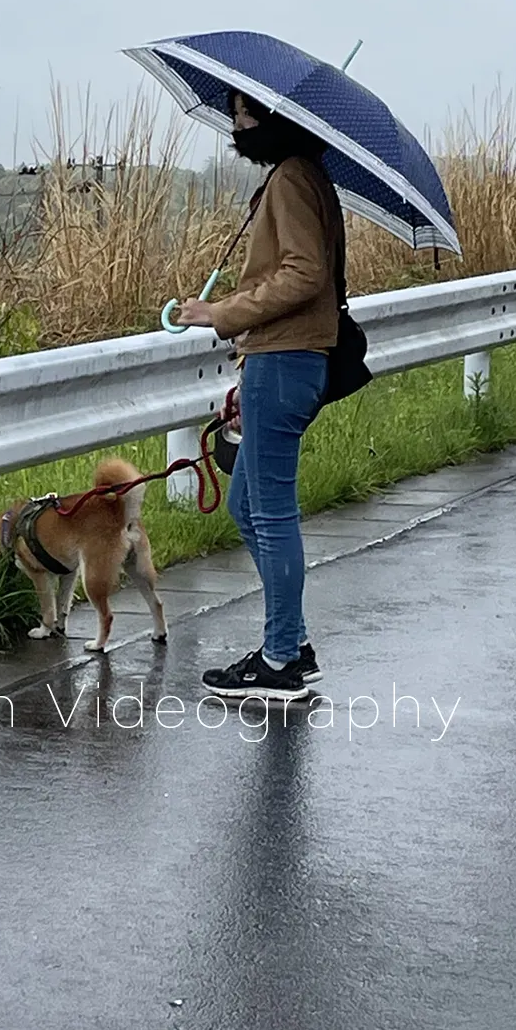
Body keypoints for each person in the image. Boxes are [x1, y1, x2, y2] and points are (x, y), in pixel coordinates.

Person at [175, 91, 345, 702]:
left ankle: (279, 661)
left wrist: (220, 313)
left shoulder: (295, 180)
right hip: (277, 362)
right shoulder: (298, 177)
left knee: (270, 512)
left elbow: (304, 274)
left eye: (247, 114)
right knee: (246, 504)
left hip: (286, 361)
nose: (237, 125)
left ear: (275, 120)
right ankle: (290, 643)